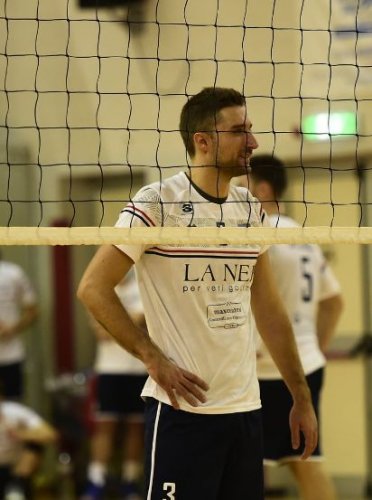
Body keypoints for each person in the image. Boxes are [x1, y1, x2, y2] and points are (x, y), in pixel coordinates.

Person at [77, 87, 318, 500]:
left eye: (252, 130)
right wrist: (153, 358)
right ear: (203, 141)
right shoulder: (156, 203)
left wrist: (301, 396)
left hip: (244, 410)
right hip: (182, 414)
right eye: (240, 131)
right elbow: (93, 288)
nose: (254, 143)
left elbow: (270, 311)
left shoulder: (249, 209)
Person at [243, 154, 343, 500]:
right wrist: (312, 346)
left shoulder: (257, 235)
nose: (239, 194)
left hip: (268, 368)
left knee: (243, 463)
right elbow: (335, 301)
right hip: (305, 364)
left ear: (263, 188)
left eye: (245, 186)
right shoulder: (303, 234)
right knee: (306, 461)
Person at [81, 270, 147, 500]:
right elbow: (101, 331)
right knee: (105, 426)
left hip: (140, 368)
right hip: (109, 370)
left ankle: (130, 481)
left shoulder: (144, 286)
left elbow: (142, 320)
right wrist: (127, 321)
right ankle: (96, 481)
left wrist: (116, 321)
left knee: (136, 426)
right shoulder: (98, 288)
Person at [0, 379, 58, 499]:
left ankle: (16, 487)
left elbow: (50, 434)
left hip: (15, 467)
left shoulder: (14, 411)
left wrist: (22, 434)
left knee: (34, 447)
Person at [0, 251, 38, 400]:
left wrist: (12, 329)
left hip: (12, 355)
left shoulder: (14, 273)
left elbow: (32, 311)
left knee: (13, 406)